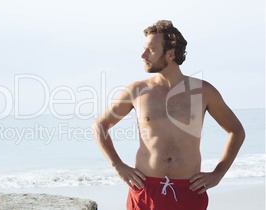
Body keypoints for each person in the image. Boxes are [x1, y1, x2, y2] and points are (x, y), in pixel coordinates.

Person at [92, 20, 245, 210]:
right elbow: (100, 125)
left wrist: (218, 173)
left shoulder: (203, 91)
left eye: (151, 50)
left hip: (188, 191)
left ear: (171, 53)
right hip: (146, 191)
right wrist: (117, 165)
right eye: (144, 49)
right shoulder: (137, 91)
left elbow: (236, 130)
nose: (143, 55)